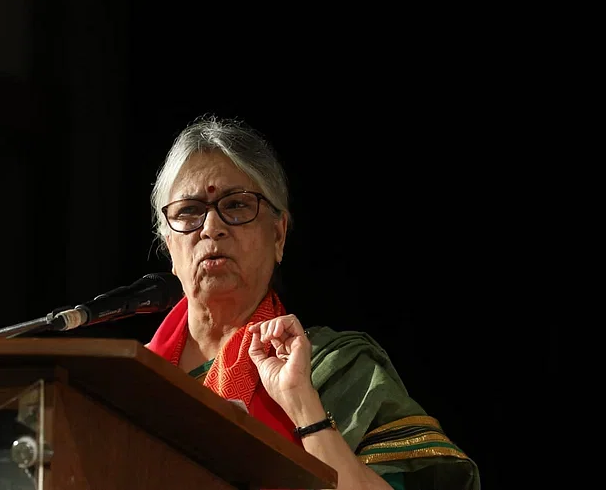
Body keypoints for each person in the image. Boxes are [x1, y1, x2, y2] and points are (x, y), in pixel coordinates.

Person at [144, 115, 480, 490]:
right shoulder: (127, 381)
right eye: (189, 211)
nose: (211, 228)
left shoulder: (336, 370)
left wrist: (301, 403)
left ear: (279, 235)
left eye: (237, 206)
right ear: (169, 247)